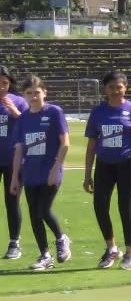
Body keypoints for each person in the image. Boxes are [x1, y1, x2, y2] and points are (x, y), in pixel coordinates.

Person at [81, 71, 131, 271]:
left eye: (119, 87)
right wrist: (87, 175)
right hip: (104, 164)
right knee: (100, 206)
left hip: (127, 164)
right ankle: (111, 248)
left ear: (125, 88)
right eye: (111, 87)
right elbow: (91, 145)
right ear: (105, 89)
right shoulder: (98, 112)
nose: (115, 91)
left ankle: (129, 255)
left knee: (125, 208)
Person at [8, 76, 71, 271]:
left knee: (43, 210)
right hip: (31, 173)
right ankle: (45, 256)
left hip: (50, 171)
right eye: (29, 93)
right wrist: (14, 178)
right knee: (34, 216)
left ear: (45, 92)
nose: (34, 96)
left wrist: (56, 169)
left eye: (37, 92)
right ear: (24, 96)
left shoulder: (54, 112)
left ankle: (62, 239)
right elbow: (19, 150)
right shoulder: (24, 118)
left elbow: (65, 143)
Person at [0, 67, 25, 260]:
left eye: (5, 83)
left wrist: (15, 111)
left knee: (12, 201)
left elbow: (31, 123)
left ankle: (14, 243)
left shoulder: (18, 102)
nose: (1, 87)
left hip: (13, 161)